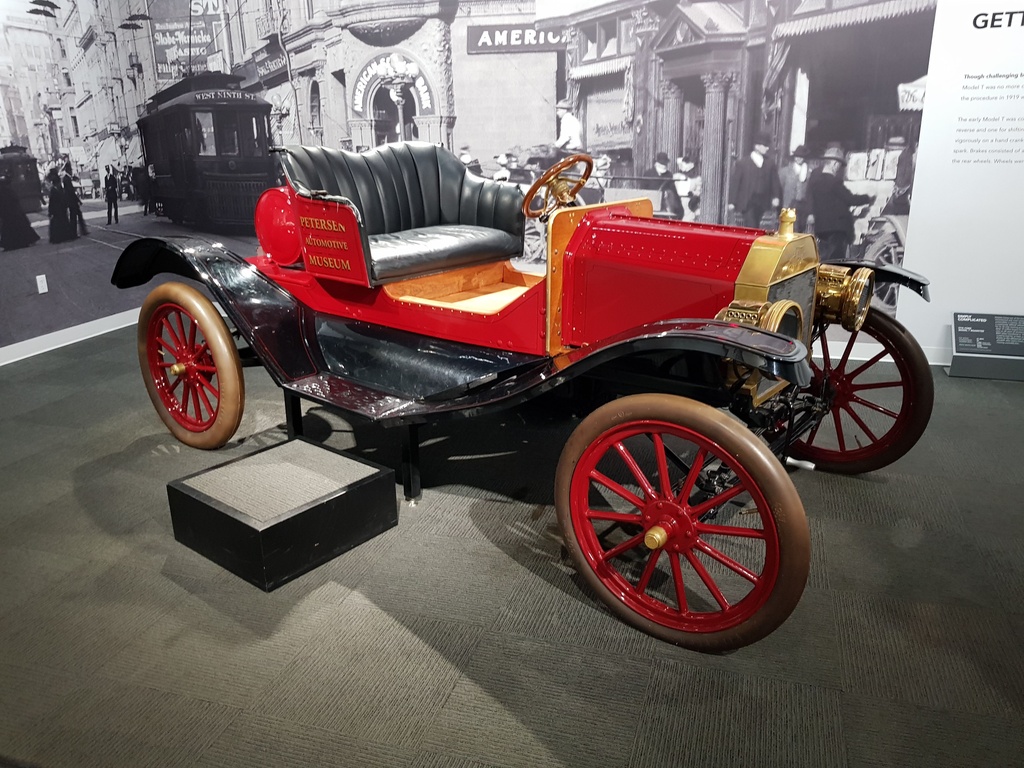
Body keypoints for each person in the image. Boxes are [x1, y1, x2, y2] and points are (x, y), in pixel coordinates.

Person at [806, 146, 875, 262]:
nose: (838, 168)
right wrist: (869, 197)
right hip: (836, 231)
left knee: (823, 260)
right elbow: (851, 199)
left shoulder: (815, 182)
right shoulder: (834, 183)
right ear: (834, 164)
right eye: (838, 165)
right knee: (836, 263)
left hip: (821, 229)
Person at [728, 130, 781, 228]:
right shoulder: (743, 163)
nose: (767, 148)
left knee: (760, 225)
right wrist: (732, 202)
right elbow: (735, 184)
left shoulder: (770, 163)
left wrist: (776, 197)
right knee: (751, 224)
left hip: (763, 202)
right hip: (747, 202)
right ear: (757, 146)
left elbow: (775, 182)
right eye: (764, 145)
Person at [0, 174, 40, 251]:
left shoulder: (3, 192)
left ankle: (11, 244)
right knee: (21, 227)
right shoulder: (9, 191)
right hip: (16, 213)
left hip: (8, 215)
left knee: (9, 230)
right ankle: (24, 241)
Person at [779, 144, 811, 231]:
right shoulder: (785, 171)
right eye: (797, 156)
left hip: (803, 207)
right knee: (788, 230)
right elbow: (779, 189)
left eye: (801, 156)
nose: (799, 158)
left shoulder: (809, 172)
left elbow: (810, 191)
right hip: (788, 205)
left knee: (800, 231)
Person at [643, 152, 683, 218]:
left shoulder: (669, 175)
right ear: (656, 164)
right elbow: (643, 189)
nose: (663, 166)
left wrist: (679, 209)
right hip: (650, 206)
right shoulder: (648, 174)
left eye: (665, 164)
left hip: (664, 207)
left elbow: (673, 191)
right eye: (661, 164)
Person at [46, 167, 75, 243]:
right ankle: (64, 236)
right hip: (60, 206)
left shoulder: (54, 188)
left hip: (57, 207)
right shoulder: (57, 185)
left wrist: (50, 211)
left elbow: (51, 201)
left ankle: (58, 237)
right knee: (62, 220)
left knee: (57, 221)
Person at [673, 156, 701, 221]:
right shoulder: (676, 176)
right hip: (676, 201)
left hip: (689, 202)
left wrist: (694, 194)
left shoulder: (697, 179)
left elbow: (699, 191)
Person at [63, 171, 87, 237]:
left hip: (72, 201)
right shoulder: (67, 179)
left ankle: (82, 231)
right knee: (74, 217)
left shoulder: (66, 178)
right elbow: (71, 192)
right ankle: (74, 233)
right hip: (72, 202)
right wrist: (78, 200)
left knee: (77, 216)